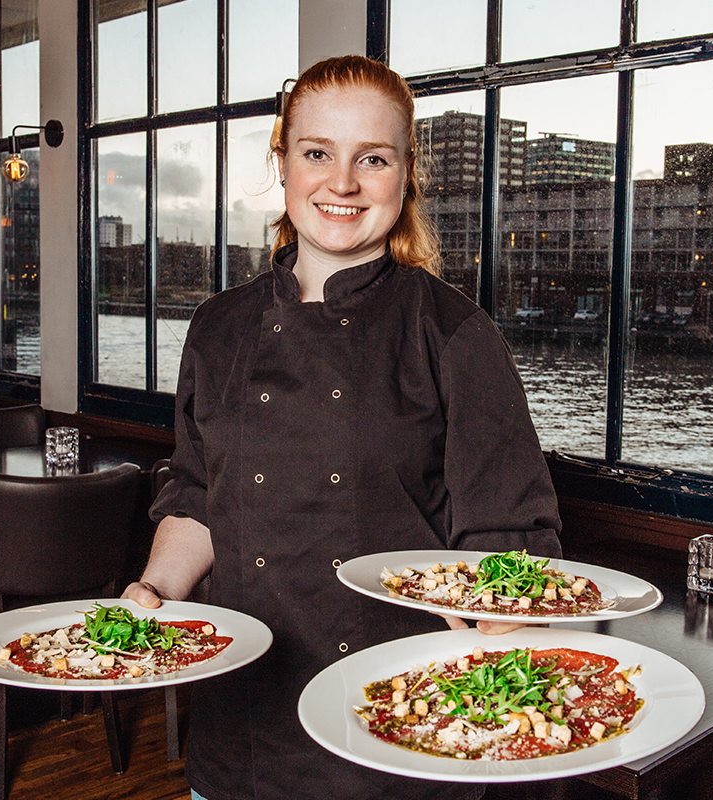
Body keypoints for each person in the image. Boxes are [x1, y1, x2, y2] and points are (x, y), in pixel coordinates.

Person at [123, 55, 562, 800]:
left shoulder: (454, 334)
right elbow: (199, 494)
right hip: (242, 734)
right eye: (318, 153)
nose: (344, 182)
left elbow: (511, 540)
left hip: (398, 732)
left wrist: (495, 645)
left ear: (406, 174)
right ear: (284, 162)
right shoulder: (218, 328)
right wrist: (152, 593)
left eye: (374, 159)